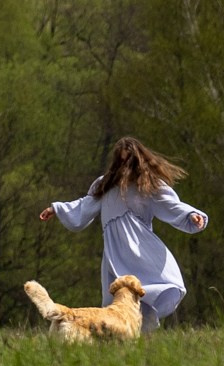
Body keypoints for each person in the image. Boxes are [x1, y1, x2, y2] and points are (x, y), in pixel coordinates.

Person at [38, 137, 208, 330]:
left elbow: (171, 205)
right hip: (114, 252)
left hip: (141, 250)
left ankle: (139, 335)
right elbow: (84, 205)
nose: (124, 166)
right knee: (113, 301)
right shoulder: (104, 185)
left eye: (128, 161)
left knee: (142, 292)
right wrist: (57, 209)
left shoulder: (148, 185)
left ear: (137, 161)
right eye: (120, 161)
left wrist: (191, 215)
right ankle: (114, 338)